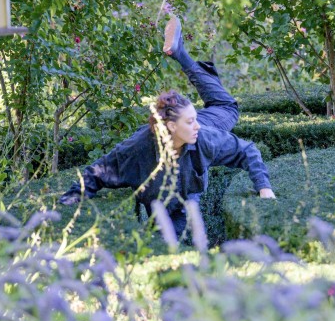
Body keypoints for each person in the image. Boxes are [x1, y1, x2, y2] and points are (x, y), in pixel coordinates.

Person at [59, 15, 275, 237]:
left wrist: (264, 188)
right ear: (171, 126)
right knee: (169, 234)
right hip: (166, 203)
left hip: (186, 192)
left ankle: (180, 53)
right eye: (190, 121)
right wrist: (69, 201)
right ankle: (180, 53)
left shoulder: (201, 134)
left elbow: (246, 150)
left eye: (194, 119)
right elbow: (97, 172)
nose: (196, 125)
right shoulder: (137, 148)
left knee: (226, 107)